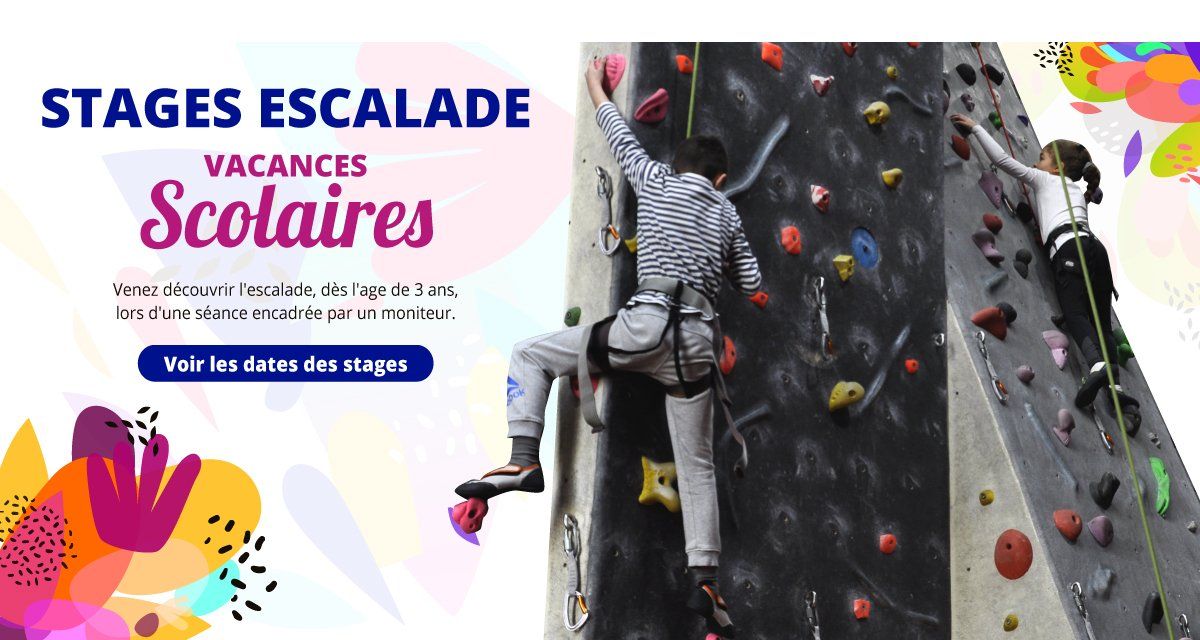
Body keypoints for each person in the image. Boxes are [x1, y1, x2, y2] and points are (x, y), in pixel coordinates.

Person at [455, 55, 762, 637]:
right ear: (720, 180)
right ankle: (704, 577)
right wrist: (720, 242)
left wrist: (596, 84)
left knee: (531, 353)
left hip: (642, 329)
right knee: (697, 464)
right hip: (695, 349)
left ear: (677, 168)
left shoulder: (654, 178)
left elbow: (616, 131)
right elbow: (751, 282)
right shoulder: (727, 213)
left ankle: (523, 460)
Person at [951, 113, 1140, 425]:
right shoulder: (1077, 191)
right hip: (1095, 250)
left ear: (1058, 167)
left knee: (1075, 313)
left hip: (1070, 248)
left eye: (1041, 158)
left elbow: (1002, 160)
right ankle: (1118, 392)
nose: (1036, 163)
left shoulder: (1046, 179)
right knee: (1103, 325)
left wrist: (976, 128)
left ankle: (1096, 367)